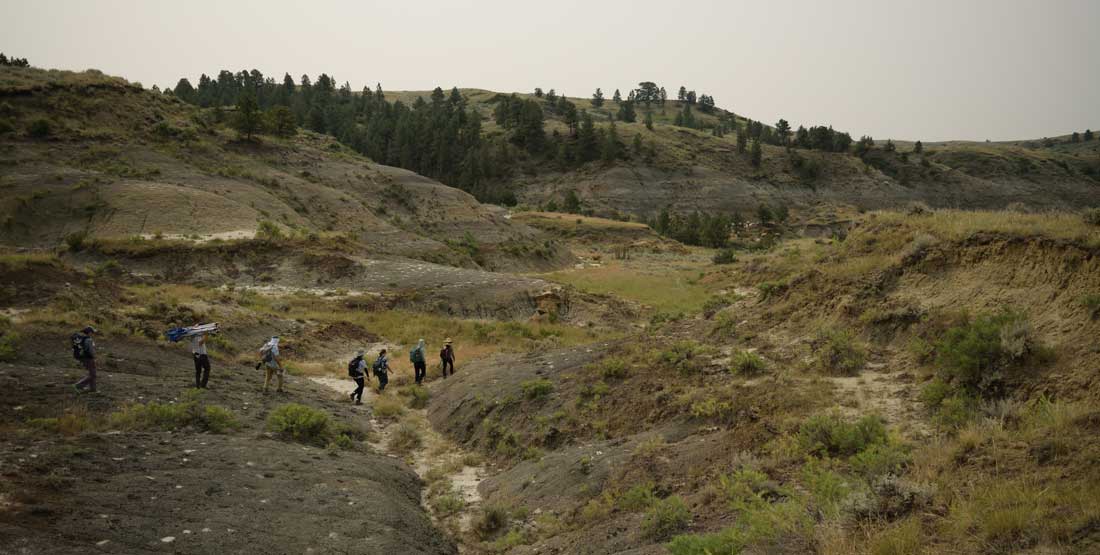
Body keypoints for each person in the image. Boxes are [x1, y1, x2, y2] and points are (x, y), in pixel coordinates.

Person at [72, 326, 98, 393]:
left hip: (83, 358)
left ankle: (93, 389)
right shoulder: (89, 340)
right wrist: (94, 357)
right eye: (92, 332)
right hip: (89, 358)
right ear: (89, 332)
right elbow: (91, 351)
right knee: (93, 374)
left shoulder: (81, 339)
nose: (93, 333)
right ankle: (78, 385)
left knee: (92, 373)